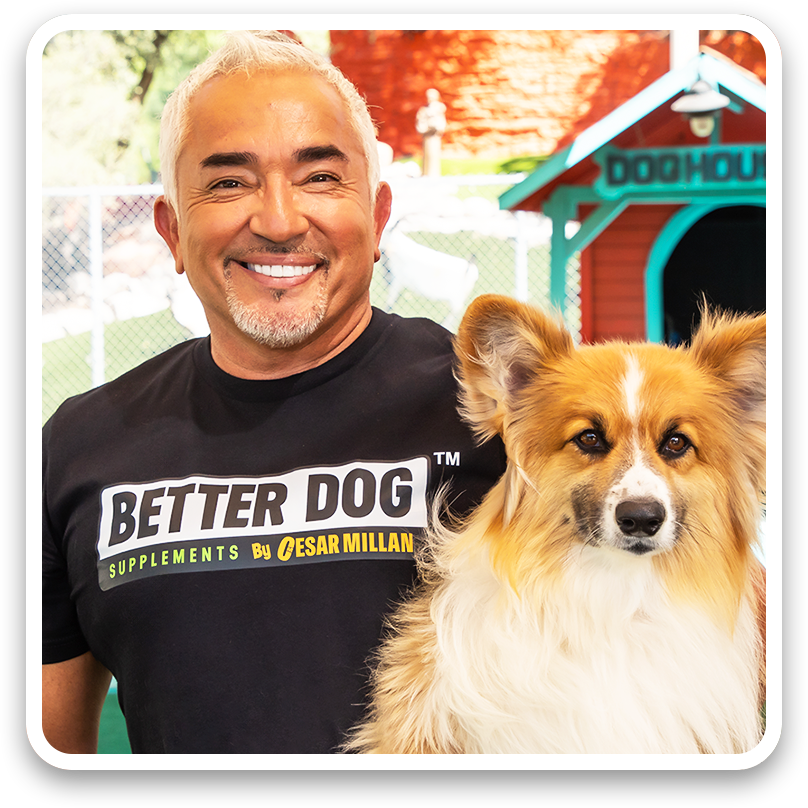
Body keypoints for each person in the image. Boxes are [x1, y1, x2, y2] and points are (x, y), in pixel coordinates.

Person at [41, 31, 505, 754]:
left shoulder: (501, 415)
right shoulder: (76, 447)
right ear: (171, 230)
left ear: (379, 217)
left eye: (320, 177)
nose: (281, 220)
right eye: (229, 182)